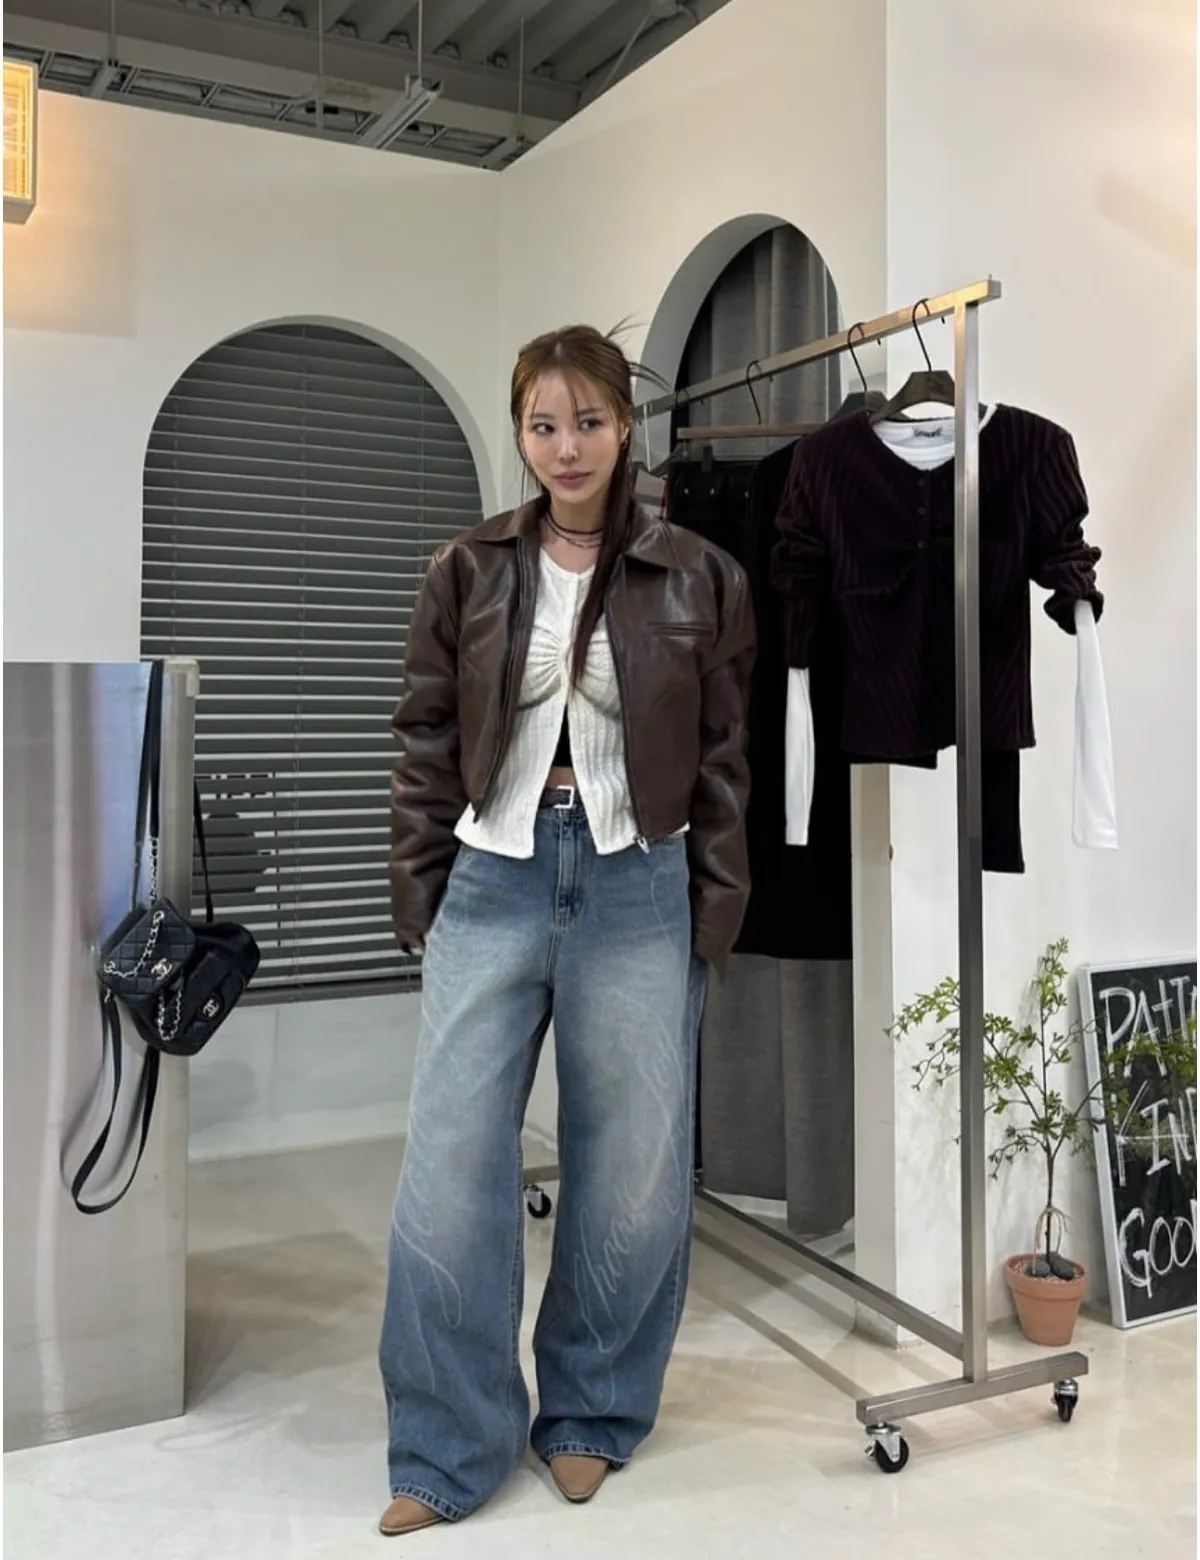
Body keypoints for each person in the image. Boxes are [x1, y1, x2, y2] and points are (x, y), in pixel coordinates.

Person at [378, 324, 756, 1538]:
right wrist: (420, 891)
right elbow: (424, 735)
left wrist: (710, 911)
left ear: (625, 424)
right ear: (522, 433)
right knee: (449, 1169)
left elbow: (725, 758)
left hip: (638, 881)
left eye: (588, 420)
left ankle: (592, 1410)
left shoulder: (701, 574)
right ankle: (446, 1444)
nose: (567, 446)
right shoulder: (468, 567)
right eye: (543, 425)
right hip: (492, 877)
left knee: (632, 1168)